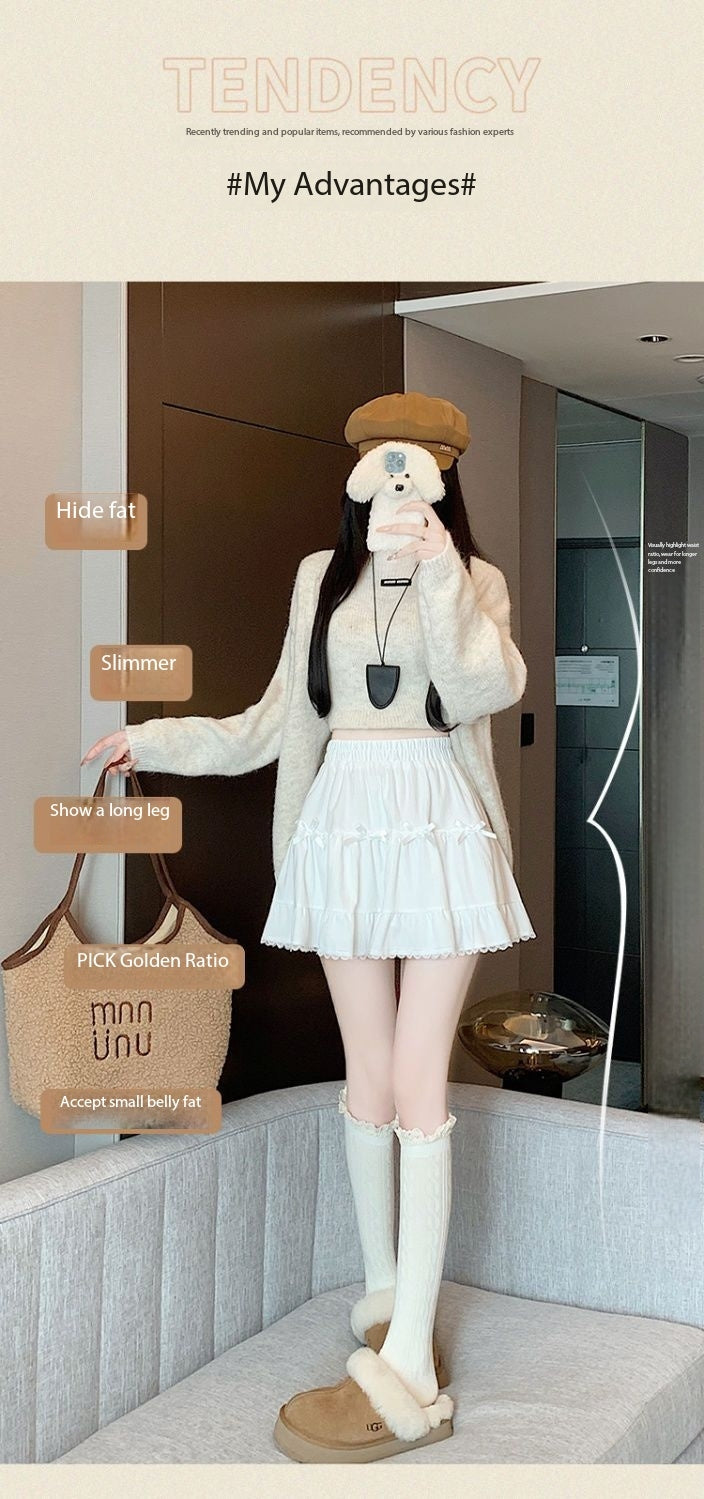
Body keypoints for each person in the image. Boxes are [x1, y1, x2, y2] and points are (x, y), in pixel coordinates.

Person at [83, 391, 536, 1463]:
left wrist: (435, 568)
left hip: (436, 825)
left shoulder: (474, 578)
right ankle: (383, 1298)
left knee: (418, 1078)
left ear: (441, 475)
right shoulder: (317, 578)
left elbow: (486, 685)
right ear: (357, 472)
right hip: (342, 826)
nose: (396, 480)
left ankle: (412, 1361)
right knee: (366, 1077)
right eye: (382, 461)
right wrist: (156, 740)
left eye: (415, 464)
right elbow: (277, 720)